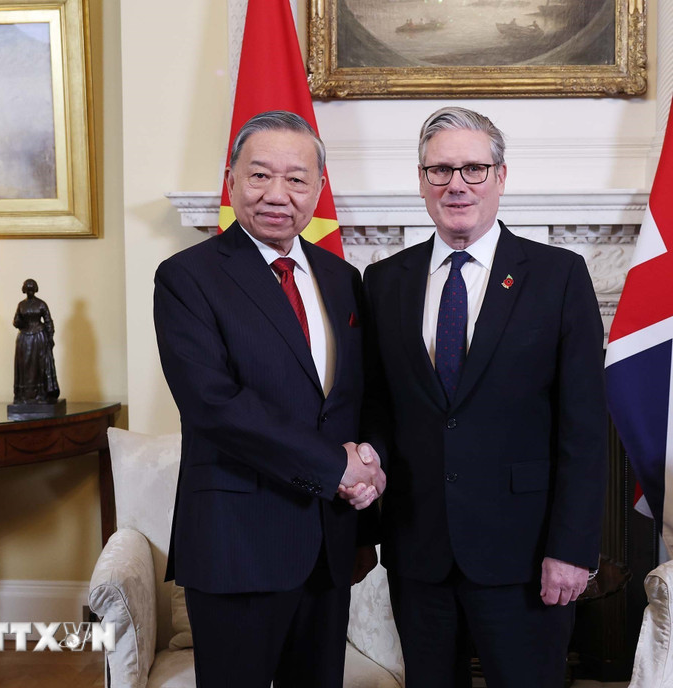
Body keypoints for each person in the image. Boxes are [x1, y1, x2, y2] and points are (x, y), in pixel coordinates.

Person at [361, 106, 607, 687]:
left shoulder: (559, 276)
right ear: (421, 181)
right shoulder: (384, 280)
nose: (457, 184)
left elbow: (585, 426)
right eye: (440, 170)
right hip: (419, 550)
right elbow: (376, 407)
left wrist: (572, 548)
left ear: (501, 176)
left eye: (473, 168)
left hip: (524, 554)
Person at [154, 110, 385, 688]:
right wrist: (338, 468)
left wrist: (371, 466)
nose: (277, 194)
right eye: (259, 176)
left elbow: (357, 396)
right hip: (238, 546)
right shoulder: (187, 277)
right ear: (231, 180)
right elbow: (215, 405)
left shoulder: (341, 277)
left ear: (318, 189)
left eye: (297, 179)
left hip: (328, 547)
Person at [12, 278, 60, 403]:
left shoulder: (41, 304)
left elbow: (48, 321)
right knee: (25, 366)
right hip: (24, 338)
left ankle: (42, 393)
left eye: (32, 288)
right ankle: (25, 395)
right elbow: (16, 320)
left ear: (35, 289)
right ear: (24, 290)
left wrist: (50, 338)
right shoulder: (21, 305)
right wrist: (18, 322)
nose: (30, 291)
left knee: (40, 365)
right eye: (27, 288)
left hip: (39, 337)